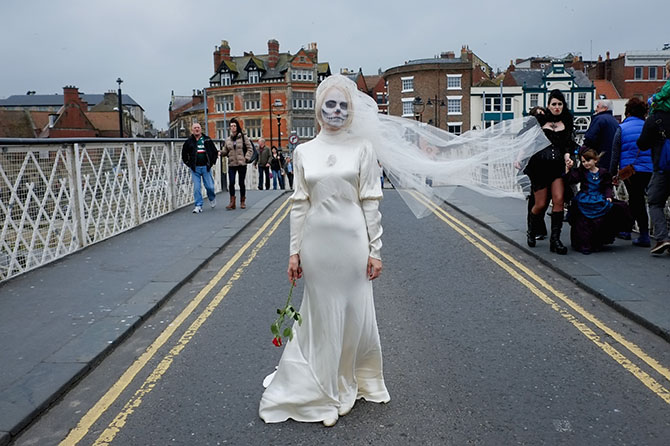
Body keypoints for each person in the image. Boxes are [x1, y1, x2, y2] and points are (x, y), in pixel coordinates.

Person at [259, 75, 389, 427]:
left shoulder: (363, 148)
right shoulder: (303, 152)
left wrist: (375, 250)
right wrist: (293, 253)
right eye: (330, 105)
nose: (336, 111)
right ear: (319, 109)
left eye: (343, 105)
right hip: (317, 246)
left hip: (352, 245)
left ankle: (345, 380)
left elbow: (371, 202)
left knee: (351, 314)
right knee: (321, 313)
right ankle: (324, 387)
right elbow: (299, 205)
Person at [521, 90, 576, 255]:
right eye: (554, 104)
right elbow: (525, 138)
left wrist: (568, 158)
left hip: (557, 167)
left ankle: (555, 240)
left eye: (560, 104)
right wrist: (520, 157)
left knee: (559, 200)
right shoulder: (539, 121)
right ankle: (532, 229)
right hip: (540, 167)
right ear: (548, 105)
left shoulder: (567, 121)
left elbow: (567, 145)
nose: (557, 107)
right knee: (540, 204)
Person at [564, 147, 632, 254]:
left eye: (588, 160)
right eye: (583, 161)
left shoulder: (603, 172)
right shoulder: (582, 172)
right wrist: (568, 169)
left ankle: (596, 243)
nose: (585, 163)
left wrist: (608, 196)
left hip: (599, 198)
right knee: (583, 223)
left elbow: (607, 186)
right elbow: (571, 179)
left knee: (600, 221)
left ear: (595, 160)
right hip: (585, 199)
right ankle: (584, 245)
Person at [610, 97, 652, 247]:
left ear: (628, 111)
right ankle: (639, 231)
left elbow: (615, 153)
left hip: (630, 171)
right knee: (646, 201)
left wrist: (612, 174)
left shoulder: (622, 128)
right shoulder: (649, 126)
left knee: (636, 201)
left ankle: (641, 234)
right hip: (650, 169)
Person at [636, 85, 670, 255]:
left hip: (662, 167)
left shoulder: (654, 119)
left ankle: (663, 238)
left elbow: (642, 143)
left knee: (655, 202)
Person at [181, 122, 218, 213]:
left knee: (210, 187)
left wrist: (212, 162)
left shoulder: (207, 140)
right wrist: (189, 164)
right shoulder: (188, 142)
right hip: (195, 168)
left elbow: (214, 152)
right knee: (197, 188)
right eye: (195, 128)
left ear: (201, 129)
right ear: (192, 130)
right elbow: (184, 154)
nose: (197, 129)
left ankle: (212, 198)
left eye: (198, 128)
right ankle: (198, 205)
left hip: (206, 167)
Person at [220, 118, 253, 209]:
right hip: (232, 164)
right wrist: (220, 152)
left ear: (237, 127)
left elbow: (250, 149)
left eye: (234, 126)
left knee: (241, 183)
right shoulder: (227, 140)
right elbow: (225, 151)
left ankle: (242, 201)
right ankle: (232, 202)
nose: (233, 128)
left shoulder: (243, 137)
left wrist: (246, 158)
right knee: (231, 182)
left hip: (242, 164)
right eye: (231, 126)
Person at [584, 99, 619, 172]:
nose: (595, 110)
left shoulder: (599, 119)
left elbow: (590, 138)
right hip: (611, 160)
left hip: (600, 158)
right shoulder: (615, 121)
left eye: (598, 107)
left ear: (605, 108)